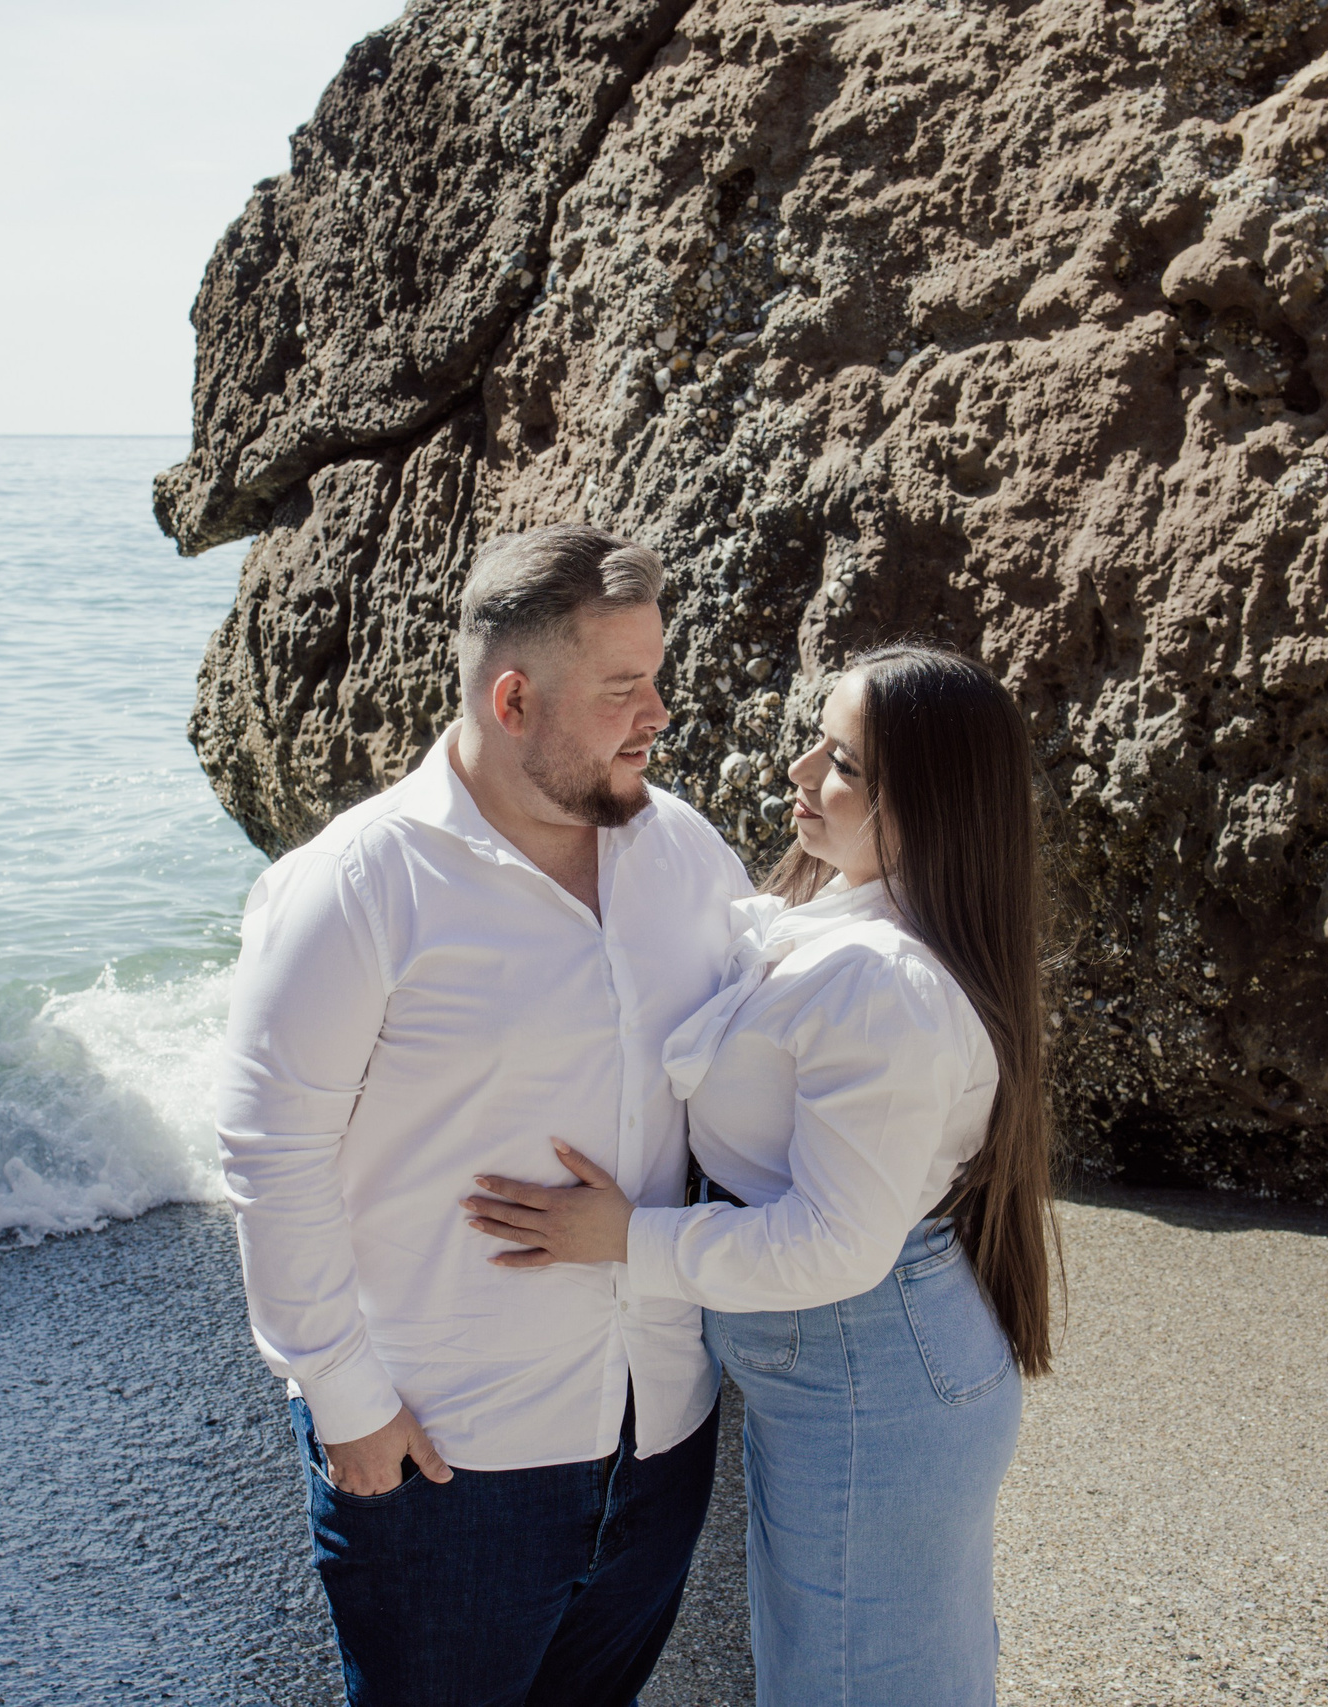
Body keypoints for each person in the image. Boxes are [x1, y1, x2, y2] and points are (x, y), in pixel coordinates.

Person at [212, 523, 753, 1706]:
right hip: (446, 1461)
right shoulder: (359, 883)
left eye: (656, 679)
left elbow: (767, 1066)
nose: (657, 714)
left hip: (660, 1432)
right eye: (621, 690)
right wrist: (343, 1401)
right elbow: (269, 1152)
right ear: (513, 700)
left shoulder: (686, 856)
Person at [464, 643, 1058, 1706]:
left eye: (839, 761)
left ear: (925, 798)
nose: (796, 772)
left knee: (845, 1685)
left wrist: (622, 1239)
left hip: (865, 1366)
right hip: (864, 1360)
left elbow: (834, 1245)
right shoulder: (851, 920)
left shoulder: (879, 982)